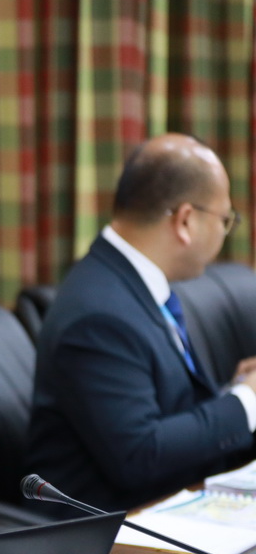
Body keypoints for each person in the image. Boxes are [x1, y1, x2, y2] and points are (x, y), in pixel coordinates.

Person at [27, 133, 256, 513]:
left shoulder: (132, 282)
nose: (224, 231)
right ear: (186, 220)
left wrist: (236, 391)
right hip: (108, 530)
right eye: (224, 219)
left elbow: (165, 410)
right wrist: (246, 401)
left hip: (168, 504)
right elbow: (139, 454)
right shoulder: (99, 315)